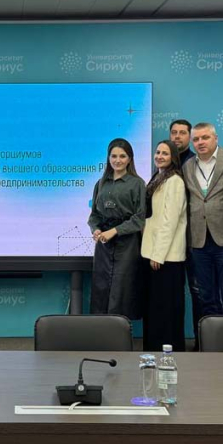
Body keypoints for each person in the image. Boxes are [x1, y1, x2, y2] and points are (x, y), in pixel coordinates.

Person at [182, 123, 223, 317]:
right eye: (196, 139)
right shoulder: (188, 166)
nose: (200, 142)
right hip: (199, 241)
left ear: (216, 138)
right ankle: (211, 336)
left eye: (205, 137)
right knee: (206, 297)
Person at [87, 138, 146, 318]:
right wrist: (96, 229)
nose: (117, 160)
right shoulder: (100, 183)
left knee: (122, 289)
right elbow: (94, 215)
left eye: (122, 156)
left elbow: (139, 218)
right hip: (104, 245)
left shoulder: (137, 183)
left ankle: (120, 331)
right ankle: (100, 332)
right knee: (101, 288)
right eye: (113, 156)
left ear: (130, 159)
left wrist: (114, 231)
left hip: (127, 243)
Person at [141, 141, 187, 351]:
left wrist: (158, 255)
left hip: (166, 258)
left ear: (173, 157)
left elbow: (170, 221)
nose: (159, 156)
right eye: (158, 152)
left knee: (166, 309)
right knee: (155, 308)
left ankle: (169, 351)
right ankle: (153, 349)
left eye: (165, 153)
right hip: (152, 253)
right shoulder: (157, 178)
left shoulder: (175, 181)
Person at [170, 118, 201, 344]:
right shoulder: (164, 162)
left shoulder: (195, 162)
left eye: (182, 133)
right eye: (174, 132)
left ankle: (202, 341)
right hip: (171, 241)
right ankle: (175, 342)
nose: (177, 136)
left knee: (198, 292)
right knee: (173, 294)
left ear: (189, 137)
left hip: (194, 239)